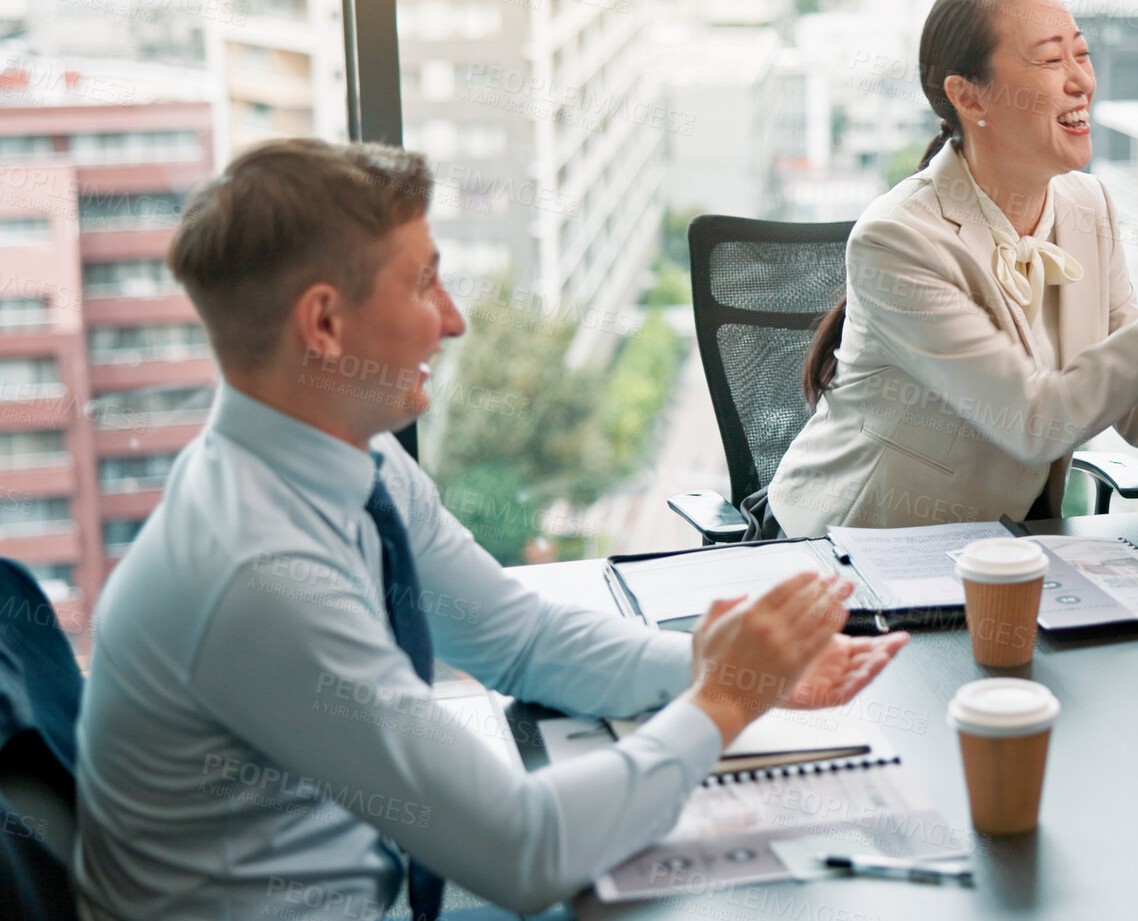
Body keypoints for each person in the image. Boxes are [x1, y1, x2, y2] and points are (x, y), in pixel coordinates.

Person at [72, 138, 910, 920]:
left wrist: (714, 669)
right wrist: (721, 701)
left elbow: (519, 640)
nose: (453, 318)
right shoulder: (255, 574)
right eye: (422, 283)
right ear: (324, 326)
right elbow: (522, 850)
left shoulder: (351, 464)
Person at [768, 0, 1138, 536]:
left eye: (1082, 56)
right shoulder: (896, 240)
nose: (1081, 81)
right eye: (1049, 62)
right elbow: (1033, 422)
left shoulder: (1088, 207)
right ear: (970, 97)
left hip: (1003, 549)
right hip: (856, 552)